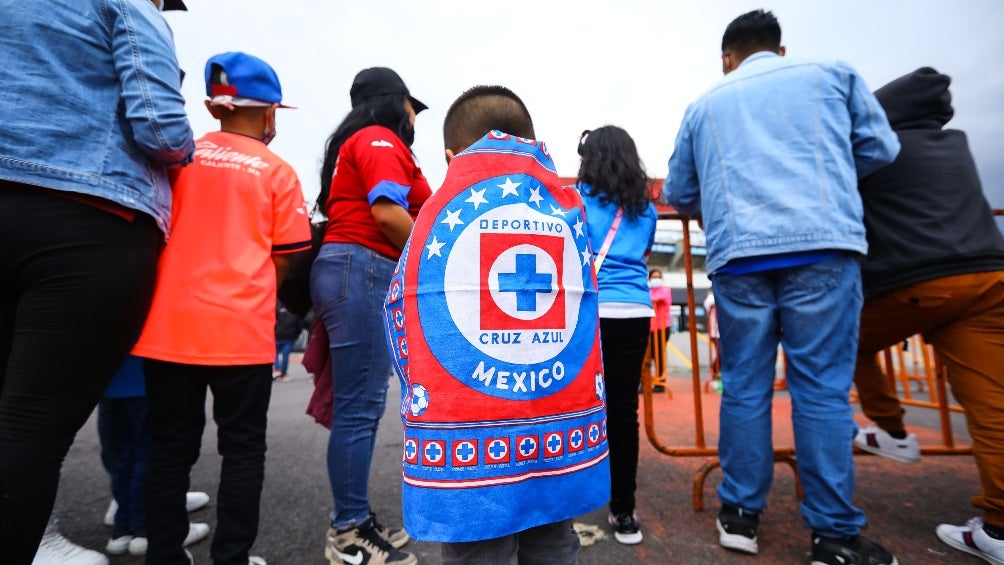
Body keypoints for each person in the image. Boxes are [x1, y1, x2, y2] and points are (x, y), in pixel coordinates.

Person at [664, 10, 901, 565]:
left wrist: (720, 206)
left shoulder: (704, 104)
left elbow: (679, 189)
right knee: (819, 389)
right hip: (822, 243)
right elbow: (881, 149)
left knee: (744, 385)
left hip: (739, 255)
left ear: (727, 58)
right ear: (781, 49)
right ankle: (834, 537)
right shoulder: (832, 74)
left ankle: (739, 516)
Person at [0, 0, 194, 561]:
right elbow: (160, 129)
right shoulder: (130, 6)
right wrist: (191, 149)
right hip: (88, 218)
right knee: (29, 431)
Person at [384, 85, 610, 564]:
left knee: (479, 552)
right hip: (555, 425)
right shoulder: (567, 212)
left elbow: (400, 309)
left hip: (472, 436)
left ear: (451, 157)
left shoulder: (434, 217)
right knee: (553, 541)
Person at [132, 51, 310, 565]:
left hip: (169, 328)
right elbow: (287, 257)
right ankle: (231, 557)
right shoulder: (276, 171)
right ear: (271, 111)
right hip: (240, 332)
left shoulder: (178, 161)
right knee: (243, 449)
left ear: (215, 108)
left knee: (169, 448)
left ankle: (163, 554)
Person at [847, 67, 1004, 563]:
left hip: (919, 278)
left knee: (838, 337)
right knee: (992, 403)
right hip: (988, 276)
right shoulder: (953, 144)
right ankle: (999, 527)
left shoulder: (878, 149)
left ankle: (891, 432)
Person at [311, 67, 430, 565]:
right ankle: (349, 532)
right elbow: (387, 213)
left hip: (357, 269)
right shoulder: (379, 138)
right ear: (392, 102)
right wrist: (429, 265)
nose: (414, 118)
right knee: (359, 409)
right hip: (363, 268)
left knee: (359, 406)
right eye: (411, 106)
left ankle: (355, 518)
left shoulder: (359, 140)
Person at [576, 126, 657, 544]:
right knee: (624, 411)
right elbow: (643, 253)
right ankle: (624, 511)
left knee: (573, 403)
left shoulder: (579, 201)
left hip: (591, 311)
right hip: (635, 309)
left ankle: (565, 501)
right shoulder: (646, 209)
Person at [646, 269, 673, 392]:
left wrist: (651, 298)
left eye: (658, 277)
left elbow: (662, 298)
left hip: (662, 327)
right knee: (647, 355)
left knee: (659, 355)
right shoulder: (646, 290)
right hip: (648, 328)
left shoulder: (665, 289)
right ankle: (646, 381)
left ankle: (660, 383)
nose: (656, 279)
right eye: (654, 277)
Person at [273, 302, 305, 382]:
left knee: (275, 353)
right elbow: (300, 324)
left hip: (278, 334)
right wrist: (297, 334)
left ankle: (276, 369)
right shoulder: (295, 310)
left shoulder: (278, 307)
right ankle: (283, 373)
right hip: (290, 336)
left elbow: (274, 319)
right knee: (285, 355)